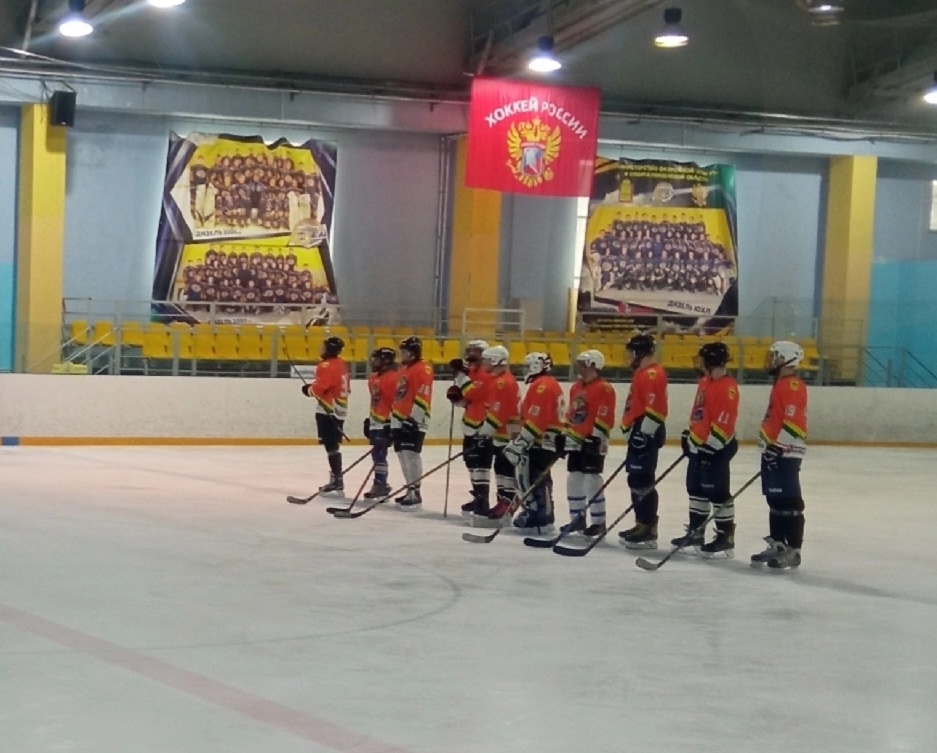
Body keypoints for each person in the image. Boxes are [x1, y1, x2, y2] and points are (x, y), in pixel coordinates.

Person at [672, 341, 739, 557]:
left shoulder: (727, 387)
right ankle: (696, 532)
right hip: (700, 446)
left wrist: (711, 446)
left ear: (712, 361)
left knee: (717, 491)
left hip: (718, 447)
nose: (699, 363)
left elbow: (725, 420)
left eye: (702, 360)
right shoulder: (704, 382)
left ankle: (725, 537)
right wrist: (691, 437)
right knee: (695, 488)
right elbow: (699, 413)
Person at [751, 341, 808, 570]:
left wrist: (779, 446)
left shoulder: (793, 385)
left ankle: (793, 549)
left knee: (789, 500)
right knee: (774, 499)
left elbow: (794, 421)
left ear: (787, 358)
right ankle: (778, 544)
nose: (772, 360)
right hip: (775, 449)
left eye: (776, 356)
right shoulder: (780, 384)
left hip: (786, 451)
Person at [503, 352, 566, 534]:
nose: (525, 370)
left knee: (535, 480)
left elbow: (538, 419)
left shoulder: (542, 386)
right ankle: (535, 513)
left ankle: (542, 518)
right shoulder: (546, 384)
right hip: (544, 440)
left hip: (542, 442)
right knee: (533, 478)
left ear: (536, 366)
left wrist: (521, 442)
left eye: (527, 366)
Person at [617, 334, 669, 549]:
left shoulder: (652, 374)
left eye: (631, 352)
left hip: (647, 431)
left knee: (643, 480)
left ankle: (648, 528)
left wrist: (644, 432)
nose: (629, 356)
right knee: (636, 479)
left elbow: (657, 408)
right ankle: (641, 523)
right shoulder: (641, 373)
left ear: (640, 352)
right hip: (640, 430)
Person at [562, 349, 617, 537]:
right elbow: (572, 413)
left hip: (593, 441)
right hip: (575, 440)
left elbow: (605, 414)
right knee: (574, 478)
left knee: (591, 479)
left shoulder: (604, 388)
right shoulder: (576, 387)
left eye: (583, 364)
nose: (579, 368)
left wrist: (596, 437)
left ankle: (598, 522)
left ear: (594, 365)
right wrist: (566, 434)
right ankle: (576, 519)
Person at [470, 345, 520, 524]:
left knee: (505, 468)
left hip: (508, 433)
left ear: (496, 360)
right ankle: (503, 502)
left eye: (486, 360)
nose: (483, 363)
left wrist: (483, 433)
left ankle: (507, 503)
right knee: (500, 466)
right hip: (501, 433)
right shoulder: (497, 380)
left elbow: (499, 412)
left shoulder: (503, 382)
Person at [446, 340, 494, 517]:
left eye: (477, 351)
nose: (472, 354)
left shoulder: (487, 374)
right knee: (471, 463)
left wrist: (460, 376)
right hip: (470, 423)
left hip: (484, 425)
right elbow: (467, 401)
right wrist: (456, 399)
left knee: (481, 465)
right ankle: (477, 496)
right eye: (470, 350)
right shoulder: (472, 372)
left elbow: (473, 393)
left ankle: (483, 500)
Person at [301, 336, 350, 495]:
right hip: (341, 408)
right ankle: (336, 478)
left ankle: (336, 480)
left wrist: (308, 390)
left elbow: (320, 389)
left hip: (328, 409)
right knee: (333, 445)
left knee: (330, 446)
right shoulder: (342, 363)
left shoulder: (325, 365)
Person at [391, 336, 434, 511]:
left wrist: (414, 419)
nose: (402, 354)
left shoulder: (423, 368)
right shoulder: (404, 369)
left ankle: (415, 492)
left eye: (405, 351)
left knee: (411, 455)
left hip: (414, 420)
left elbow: (423, 394)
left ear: (414, 352)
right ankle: (409, 488)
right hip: (399, 418)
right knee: (402, 454)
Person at [363, 347, 399, 500]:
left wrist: (393, 424)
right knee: (376, 453)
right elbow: (376, 400)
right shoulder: (373, 377)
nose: (374, 362)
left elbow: (396, 402)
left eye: (377, 359)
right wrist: (371, 420)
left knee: (379, 452)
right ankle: (380, 483)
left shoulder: (393, 378)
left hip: (386, 421)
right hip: (376, 420)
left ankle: (381, 483)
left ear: (386, 361)